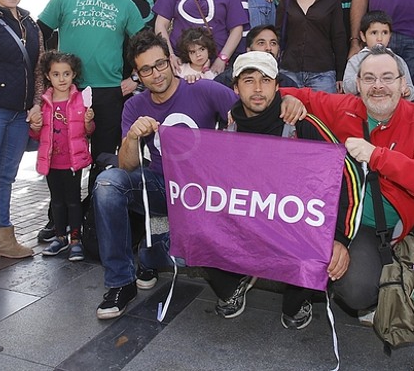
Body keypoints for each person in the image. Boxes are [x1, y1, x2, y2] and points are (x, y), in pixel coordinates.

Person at [283, 46, 414, 370]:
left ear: (404, 84)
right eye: (369, 78)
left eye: (388, 77)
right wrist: (287, 102)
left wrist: (378, 157)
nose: (378, 85)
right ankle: (377, 289)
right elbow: (278, 92)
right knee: (355, 288)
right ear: (356, 85)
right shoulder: (342, 108)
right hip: (364, 225)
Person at [92, 30, 305, 319]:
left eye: (160, 64)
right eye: (146, 69)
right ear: (137, 75)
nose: (155, 74)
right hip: (160, 186)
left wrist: (290, 100)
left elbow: (254, 101)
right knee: (107, 184)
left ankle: (151, 252)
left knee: (178, 253)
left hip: (205, 195)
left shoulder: (203, 89)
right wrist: (131, 137)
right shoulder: (134, 106)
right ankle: (120, 283)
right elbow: (126, 167)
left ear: (171, 61)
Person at [206, 51, 362, 329]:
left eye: (265, 80)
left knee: (310, 238)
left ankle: (298, 299)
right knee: (199, 225)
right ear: (235, 87)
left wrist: (340, 237)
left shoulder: (302, 124)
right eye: (248, 80)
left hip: (295, 226)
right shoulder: (226, 127)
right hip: (250, 218)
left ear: (278, 86)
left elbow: (349, 176)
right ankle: (234, 284)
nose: (257, 89)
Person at [37, 0, 145, 240]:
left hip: (109, 92)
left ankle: (94, 220)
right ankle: (57, 220)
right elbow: (39, 34)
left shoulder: (125, 5)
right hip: (67, 92)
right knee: (62, 158)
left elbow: (143, 44)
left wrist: (135, 78)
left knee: (103, 158)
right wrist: (46, 75)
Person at [0, 0, 44, 276]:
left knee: (5, 177)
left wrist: (36, 105)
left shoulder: (31, 25)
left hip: (20, 114)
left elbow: (37, 69)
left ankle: (3, 241)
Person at [29, 51, 95, 262]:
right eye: (56, 74)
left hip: (73, 162)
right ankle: (60, 238)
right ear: (48, 76)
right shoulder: (44, 102)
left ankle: (75, 240)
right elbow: (36, 135)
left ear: (73, 74)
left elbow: (89, 131)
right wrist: (36, 125)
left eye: (66, 74)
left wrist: (88, 121)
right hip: (51, 162)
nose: (62, 78)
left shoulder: (79, 99)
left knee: (73, 201)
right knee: (57, 202)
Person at [276, 0, 348, 92]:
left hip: (323, 74)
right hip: (289, 73)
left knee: (323, 116)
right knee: (287, 115)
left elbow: (339, 37)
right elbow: (277, 35)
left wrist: (341, 74)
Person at [343, 11, 414, 100]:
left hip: (391, 110)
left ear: (390, 36)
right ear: (363, 36)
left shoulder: (397, 60)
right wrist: (364, 75)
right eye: (374, 33)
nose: (379, 38)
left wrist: (407, 92)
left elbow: (411, 91)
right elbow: (346, 88)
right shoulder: (356, 60)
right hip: (363, 109)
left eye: (385, 33)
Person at [214, 24, 297, 88]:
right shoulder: (225, 81)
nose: (268, 48)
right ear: (248, 50)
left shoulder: (287, 84)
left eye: (273, 43)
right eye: (261, 43)